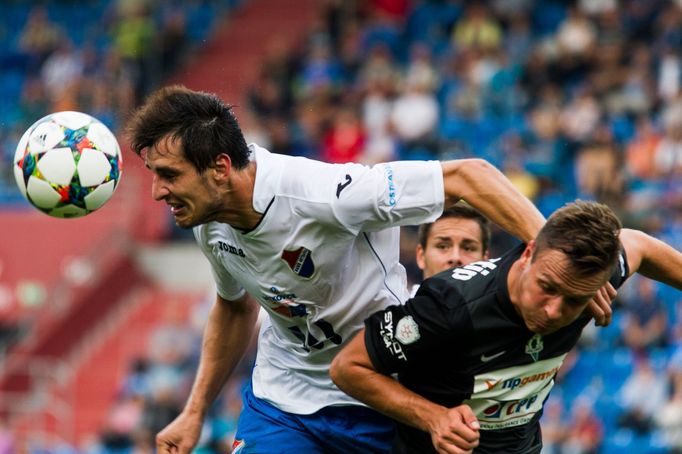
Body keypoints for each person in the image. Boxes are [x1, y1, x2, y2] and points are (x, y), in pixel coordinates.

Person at [126, 85, 580, 453]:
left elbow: (469, 176)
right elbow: (234, 308)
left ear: (220, 168)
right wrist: (196, 409)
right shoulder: (209, 221)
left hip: (378, 393)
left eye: (169, 175)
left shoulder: (326, 194)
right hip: (282, 401)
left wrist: (554, 263)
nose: (157, 193)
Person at [331, 200, 682, 454]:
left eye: (574, 300)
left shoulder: (589, 281)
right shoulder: (451, 305)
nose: (554, 311)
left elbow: (638, 244)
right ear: (528, 254)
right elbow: (348, 367)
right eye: (547, 287)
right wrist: (434, 418)